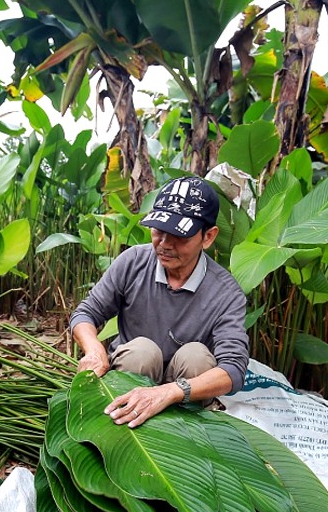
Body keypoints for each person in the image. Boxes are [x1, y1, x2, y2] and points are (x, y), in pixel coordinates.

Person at [70, 176, 249, 428]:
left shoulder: (226, 293)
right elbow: (86, 314)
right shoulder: (132, 261)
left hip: (186, 394)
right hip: (132, 377)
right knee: (142, 351)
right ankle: (119, 424)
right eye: (158, 231)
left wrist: (168, 392)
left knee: (196, 356)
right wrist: (95, 351)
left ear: (208, 237)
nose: (164, 245)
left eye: (179, 236)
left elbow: (233, 370)